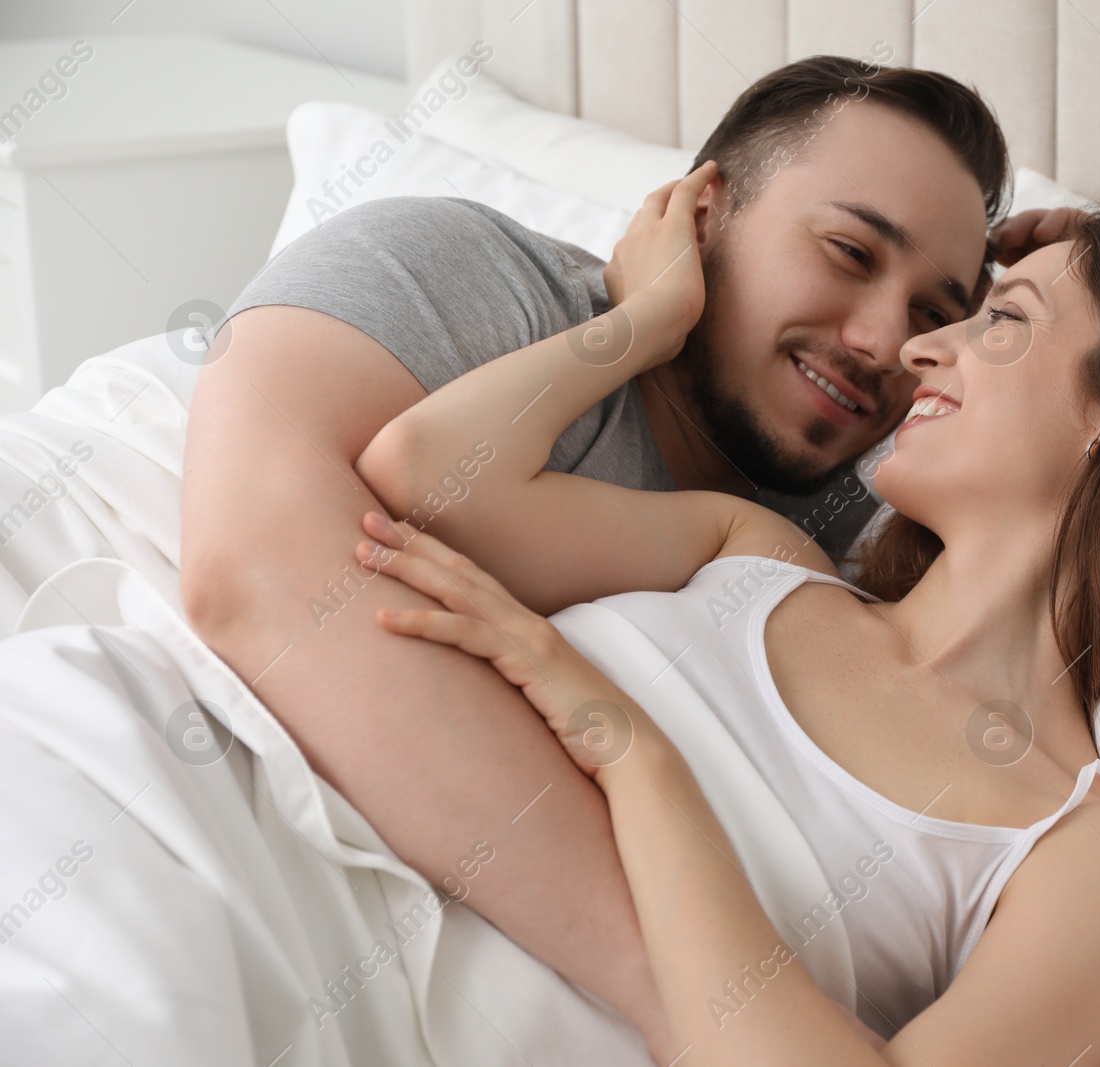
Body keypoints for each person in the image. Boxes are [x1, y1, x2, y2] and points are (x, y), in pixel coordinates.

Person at [343, 178, 1100, 1062]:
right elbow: (420, 482)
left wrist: (632, 754)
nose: (922, 348)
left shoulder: (1095, 870)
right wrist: (645, 318)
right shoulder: (749, 553)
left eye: (1001, 318)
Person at [181, 56, 1024, 1061]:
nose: (884, 340)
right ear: (704, 210)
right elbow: (257, 578)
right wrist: (692, 1005)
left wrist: (1088, 280)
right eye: (848, 250)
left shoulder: (872, 513)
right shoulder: (468, 273)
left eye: (935, 311)